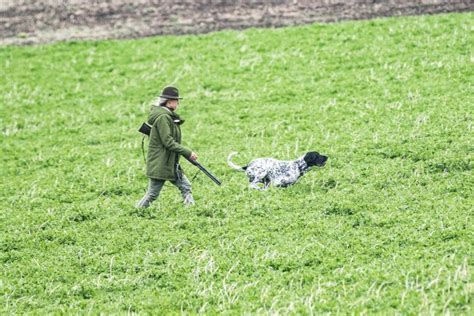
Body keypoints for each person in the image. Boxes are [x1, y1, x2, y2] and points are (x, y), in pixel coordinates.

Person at [137, 86, 198, 208]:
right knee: (152, 194)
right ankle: (137, 211)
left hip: (169, 163)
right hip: (161, 163)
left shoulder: (167, 116)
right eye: (176, 100)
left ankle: (191, 210)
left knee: (186, 186)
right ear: (169, 102)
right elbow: (168, 142)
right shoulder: (163, 117)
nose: (178, 103)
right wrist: (187, 152)